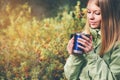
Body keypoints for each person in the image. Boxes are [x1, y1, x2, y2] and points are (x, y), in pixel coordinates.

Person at [64, 0, 120, 80]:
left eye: (97, 13)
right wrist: (75, 55)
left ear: (109, 15)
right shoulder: (85, 36)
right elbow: (70, 76)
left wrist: (91, 55)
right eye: (89, 12)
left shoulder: (117, 44)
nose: (91, 17)